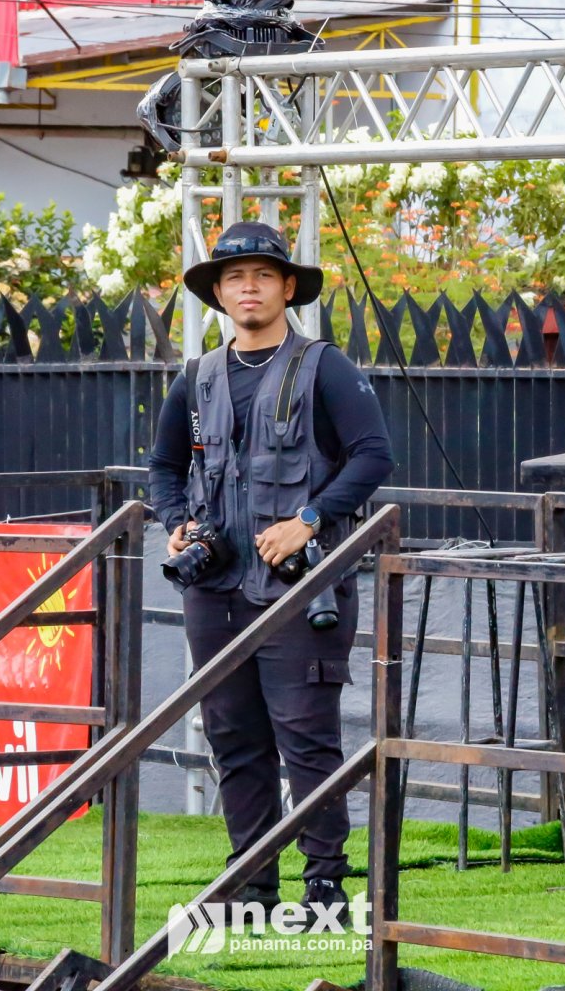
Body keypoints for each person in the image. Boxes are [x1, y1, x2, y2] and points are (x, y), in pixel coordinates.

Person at [147, 221, 394, 918]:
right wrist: (177, 524)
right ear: (219, 294)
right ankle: (251, 884)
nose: (248, 288)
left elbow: (374, 455)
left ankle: (325, 886)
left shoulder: (326, 366)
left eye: (262, 275)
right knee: (232, 736)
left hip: (300, 588)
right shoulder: (196, 377)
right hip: (213, 588)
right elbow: (163, 466)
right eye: (234, 278)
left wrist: (309, 518)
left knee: (306, 736)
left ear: (288, 288)